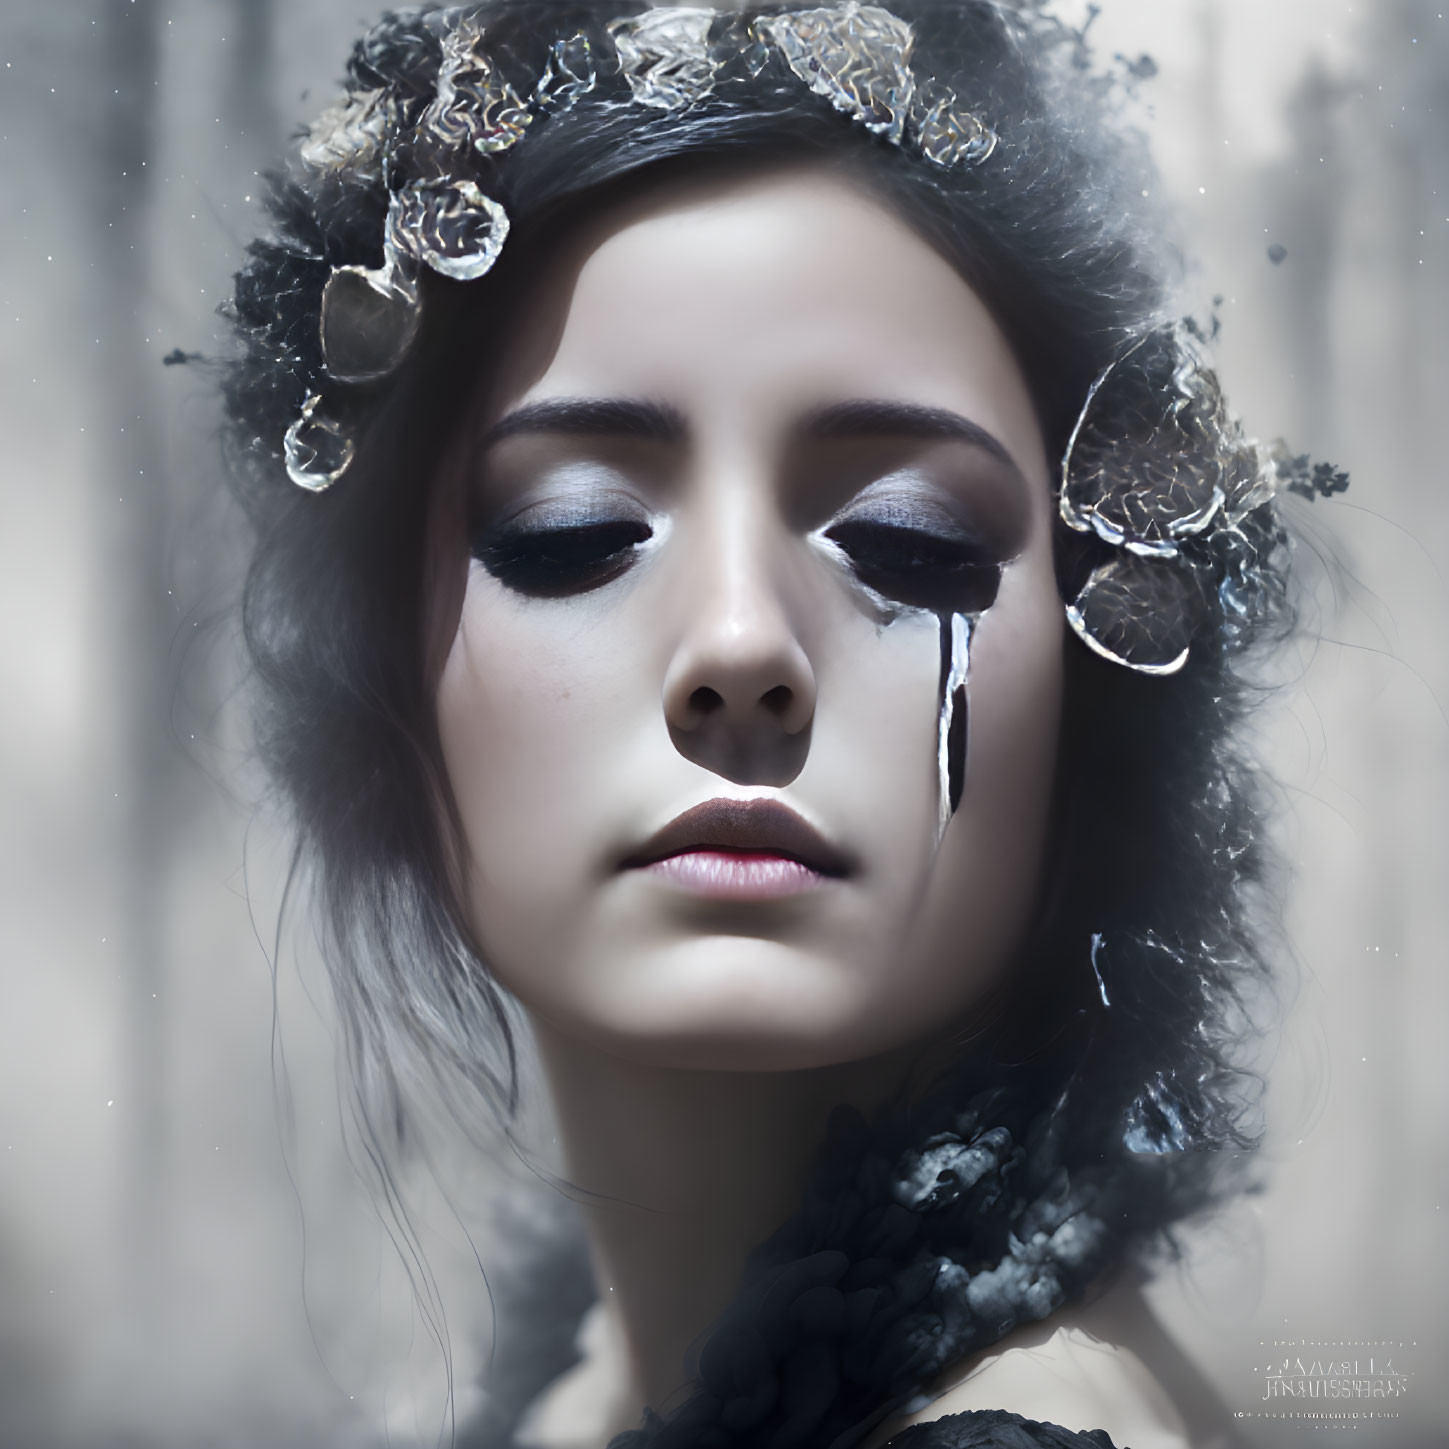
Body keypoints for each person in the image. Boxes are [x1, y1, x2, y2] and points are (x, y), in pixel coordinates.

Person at [222, 3, 1339, 1445]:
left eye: (910, 540)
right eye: (570, 534)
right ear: (380, 680)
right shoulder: (567, 1386)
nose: (742, 643)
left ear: (1098, 683)